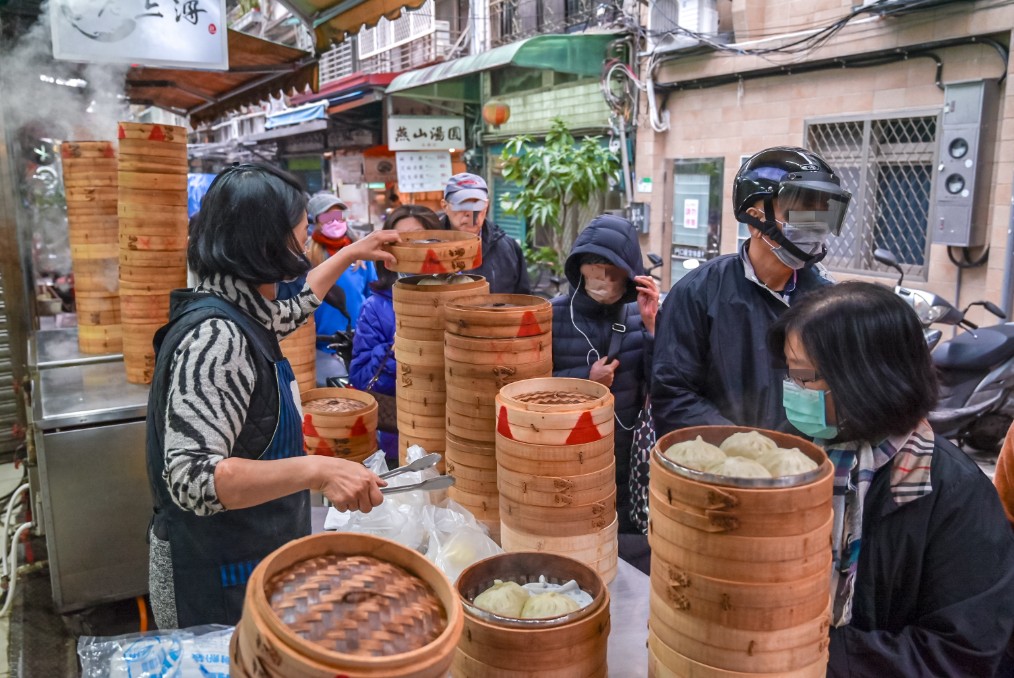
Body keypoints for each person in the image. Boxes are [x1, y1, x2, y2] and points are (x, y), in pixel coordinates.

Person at [145, 164, 401, 629]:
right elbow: (191, 478)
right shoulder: (216, 338)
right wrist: (317, 469)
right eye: (303, 234)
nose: (306, 245)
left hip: (245, 563)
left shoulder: (237, 306)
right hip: (212, 584)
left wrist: (350, 254)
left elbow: (290, 310)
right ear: (267, 244)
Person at [767, 281, 1014, 677]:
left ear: (865, 381)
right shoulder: (797, 457)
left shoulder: (954, 495)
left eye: (804, 377)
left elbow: (960, 652)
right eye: (790, 375)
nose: (792, 391)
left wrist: (810, 653)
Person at [651, 147, 851, 436]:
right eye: (802, 207)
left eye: (822, 209)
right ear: (755, 219)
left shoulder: (826, 301)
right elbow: (672, 394)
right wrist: (743, 447)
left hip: (803, 466)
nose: (816, 223)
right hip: (723, 468)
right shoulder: (698, 293)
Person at [550, 214, 659, 535]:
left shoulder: (641, 314)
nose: (605, 281)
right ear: (578, 269)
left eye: (614, 273)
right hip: (569, 450)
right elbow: (528, 389)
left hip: (626, 451)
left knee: (623, 532)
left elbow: (663, 383)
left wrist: (653, 328)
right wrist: (586, 381)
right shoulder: (552, 314)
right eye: (595, 271)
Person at [349, 205, 445, 461]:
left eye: (423, 238)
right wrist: (395, 350)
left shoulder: (461, 295)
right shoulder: (376, 307)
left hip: (455, 433)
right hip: (403, 440)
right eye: (403, 241)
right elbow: (361, 382)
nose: (414, 247)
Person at [305, 192, 378, 386]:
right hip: (322, 345)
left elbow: (373, 295)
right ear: (316, 221)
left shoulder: (361, 257)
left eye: (339, 216)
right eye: (327, 217)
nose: (335, 222)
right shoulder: (308, 256)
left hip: (359, 341)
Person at [438, 172, 531, 294]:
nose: (471, 213)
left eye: (478, 204)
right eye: (461, 204)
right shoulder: (426, 247)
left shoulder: (507, 248)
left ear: (486, 206)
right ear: (445, 206)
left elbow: (523, 300)